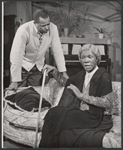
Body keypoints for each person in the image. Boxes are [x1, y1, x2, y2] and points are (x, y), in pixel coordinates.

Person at [40, 44, 118, 148]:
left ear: (97, 58)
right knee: (54, 112)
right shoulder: (82, 75)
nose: (86, 60)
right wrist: (54, 71)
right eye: (83, 57)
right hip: (81, 113)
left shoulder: (103, 75)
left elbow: (108, 103)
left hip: (95, 116)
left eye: (90, 57)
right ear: (80, 60)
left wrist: (82, 96)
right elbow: (68, 83)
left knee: (58, 117)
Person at [8, 8, 68, 90]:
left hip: (38, 67)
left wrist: (63, 71)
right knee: (20, 94)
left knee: (34, 94)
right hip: (22, 66)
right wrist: (15, 81)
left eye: (48, 24)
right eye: (43, 25)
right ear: (35, 23)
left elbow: (57, 50)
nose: (47, 28)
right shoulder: (23, 30)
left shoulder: (53, 28)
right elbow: (16, 55)